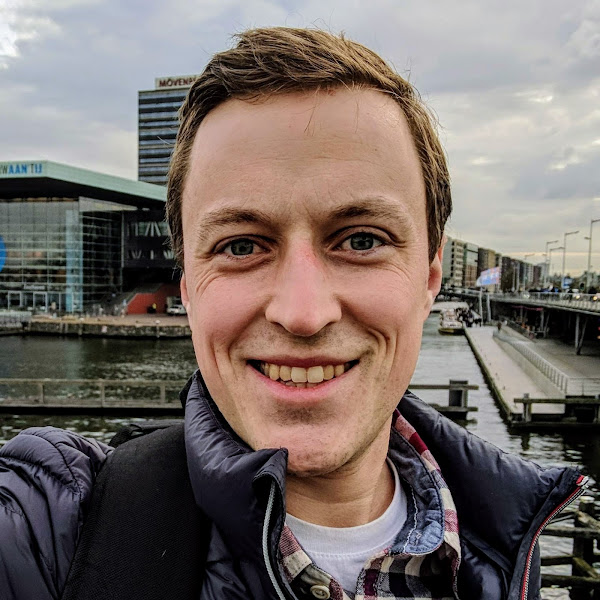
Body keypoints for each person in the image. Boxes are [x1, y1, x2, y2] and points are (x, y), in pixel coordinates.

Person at [0, 27, 586, 600]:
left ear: (429, 278)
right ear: (190, 289)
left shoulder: (508, 544)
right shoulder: (54, 526)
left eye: (361, 240)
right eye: (241, 246)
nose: (303, 313)